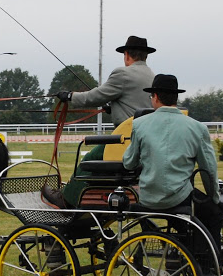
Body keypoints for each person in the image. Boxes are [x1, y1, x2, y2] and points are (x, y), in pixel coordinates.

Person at [42, 35, 156, 208]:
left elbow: (94, 96)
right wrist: (115, 107)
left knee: (89, 159)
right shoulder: (151, 75)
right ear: (146, 55)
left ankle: (67, 200)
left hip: (124, 142)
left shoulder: (122, 74)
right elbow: (136, 105)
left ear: (126, 54)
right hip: (143, 141)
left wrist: (70, 96)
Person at [122, 74, 223, 240]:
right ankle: (208, 259)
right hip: (180, 198)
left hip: (148, 197)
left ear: (155, 97)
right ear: (176, 98)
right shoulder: (197, 128)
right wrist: (214, 197)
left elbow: (128, 163)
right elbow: (208, 169)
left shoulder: (139, 125)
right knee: (214, 213)